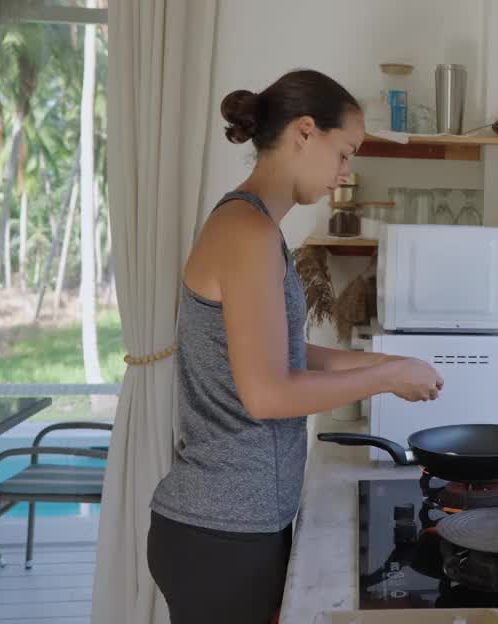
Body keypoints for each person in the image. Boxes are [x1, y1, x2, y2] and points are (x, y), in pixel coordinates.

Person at [146, 69, 443, 624]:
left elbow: (290, 352)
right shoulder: (247, 233)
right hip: (221, 533)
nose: (346, 172)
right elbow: (267, 394)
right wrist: (385, 377)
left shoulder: (258, 229)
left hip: (234, 525)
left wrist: (393, 363)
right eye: (345, 152)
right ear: (306, 131)